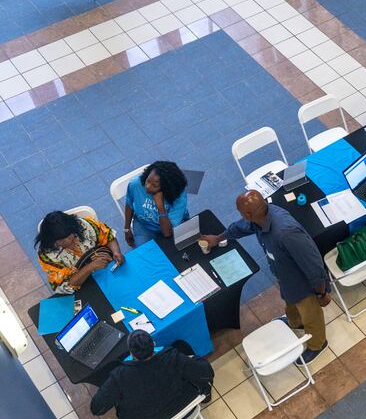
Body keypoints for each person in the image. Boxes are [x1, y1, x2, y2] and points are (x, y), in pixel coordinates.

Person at [200, 191, 331, 364]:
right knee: (290, 302)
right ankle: (295, 323)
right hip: (285, 275)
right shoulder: (259, 218)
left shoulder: (286, 232)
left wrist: (321, 293)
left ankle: (317, 344)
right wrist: (219, 238)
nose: (241, 216)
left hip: (303, 282)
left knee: (310, 313)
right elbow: (241, 227)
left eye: (240, 212)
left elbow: (313, 264)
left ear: (248, 214)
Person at [90, 330, 214, 419]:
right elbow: (207, 373)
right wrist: (192, 358)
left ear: (132, 354)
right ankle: (207, 397)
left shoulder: (120, 376)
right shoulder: (173, 358)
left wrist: (110, 388)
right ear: (154, 345)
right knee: (182, 345)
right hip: (185, 406)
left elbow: (96, 408)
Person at [36, 211, 124, 294]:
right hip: (84, 287)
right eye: (62, 241)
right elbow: (65, 285)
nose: (69, 241)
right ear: (52, 240)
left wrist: (116, 252)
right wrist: (91, 267)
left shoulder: (84, 225)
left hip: (106, 273)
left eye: (70, 236)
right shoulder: (47, 255)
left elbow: (108, 236)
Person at [124, 161, 189, 247]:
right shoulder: (136, 184)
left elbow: (167, 233)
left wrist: (160, 207)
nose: (147, 187)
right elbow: (129, 205)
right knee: (145, 254)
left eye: (154, 185)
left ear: (167, 188)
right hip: (145, 226)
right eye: (148, 181)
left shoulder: (179, 197)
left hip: (171, 228)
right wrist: (126, 229)